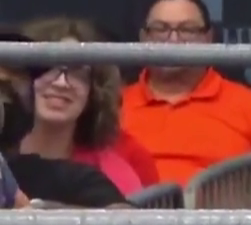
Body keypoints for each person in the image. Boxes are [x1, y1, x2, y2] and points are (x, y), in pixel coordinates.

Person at [120, 0, 251, 185]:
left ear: (208, 38)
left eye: (187, 29)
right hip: (129, 204)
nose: (173, 40)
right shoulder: (113, 107)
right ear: (144, 37)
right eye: (160, 29)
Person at [18, 16, 162, 193]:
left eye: (77, 72)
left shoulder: (114, 174)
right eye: (47, 68)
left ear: (94, 91)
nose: (61, 83)